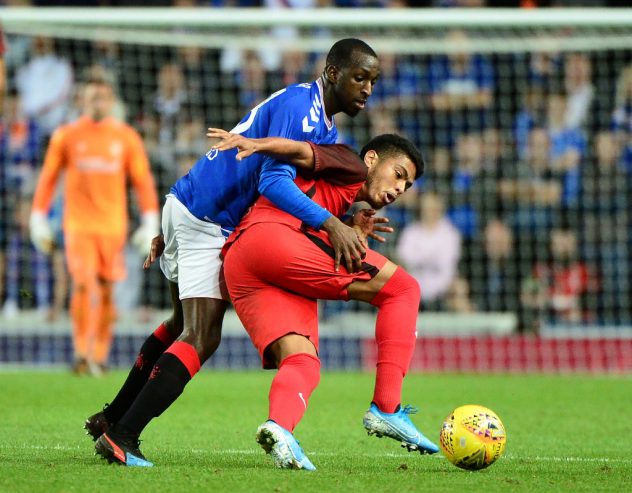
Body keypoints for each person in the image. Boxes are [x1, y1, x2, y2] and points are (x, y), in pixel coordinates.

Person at [87, 39, 380, 467]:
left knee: (181, 325)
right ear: (333, 72)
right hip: (207, 216)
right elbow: (272, 184)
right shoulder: (302, 108)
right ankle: (123, 436)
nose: (367, 88)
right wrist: (330, 224)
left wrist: (347, 215)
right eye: (360, 77)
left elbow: (290, 190)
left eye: (373, 80)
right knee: (202, 336)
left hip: (191, 203)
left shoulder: (323, 127)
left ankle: (111, 418)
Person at [213, 130, 439, 470]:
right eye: (399, 175)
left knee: (303, 361)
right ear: (373, 159)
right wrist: (259, 143)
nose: (399, 190)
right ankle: (387, 408)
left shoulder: (342, 193)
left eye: (407, 187)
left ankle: (279, 429)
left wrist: (346, 220)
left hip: (243, 262)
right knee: (403, 289)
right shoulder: (351, 162)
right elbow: (301, 151)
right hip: (275, 240)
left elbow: (311, 192)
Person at [29, 77, 160, 375]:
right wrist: (38, 217)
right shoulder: (67, 136)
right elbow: (48, 178)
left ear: (111, 100)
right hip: (78, 225)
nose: (98, 102)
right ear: (83, 100)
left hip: (113, 226)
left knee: (106, 290)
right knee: (82, 282)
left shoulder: (126, 137)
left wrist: (150, 219)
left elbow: (142, 182)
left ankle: (99, 356)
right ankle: (80, 352)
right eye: (92, 97)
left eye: (102, 96)